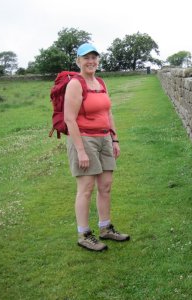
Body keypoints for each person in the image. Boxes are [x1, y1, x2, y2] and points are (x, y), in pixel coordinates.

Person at [64, 43, 130, 251]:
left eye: (94, 57)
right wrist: (81, 150)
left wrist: (115, 138)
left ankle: (105, 228)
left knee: (106, 185)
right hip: (84, 140)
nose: (91, 61)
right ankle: (84, 234)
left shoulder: (100, 82)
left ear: (98, 60)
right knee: (86, 188)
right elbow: (69, 119)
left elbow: (108, 113)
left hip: (104, 139)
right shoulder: (76, 84)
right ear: (78, 61)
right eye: (86, 58)